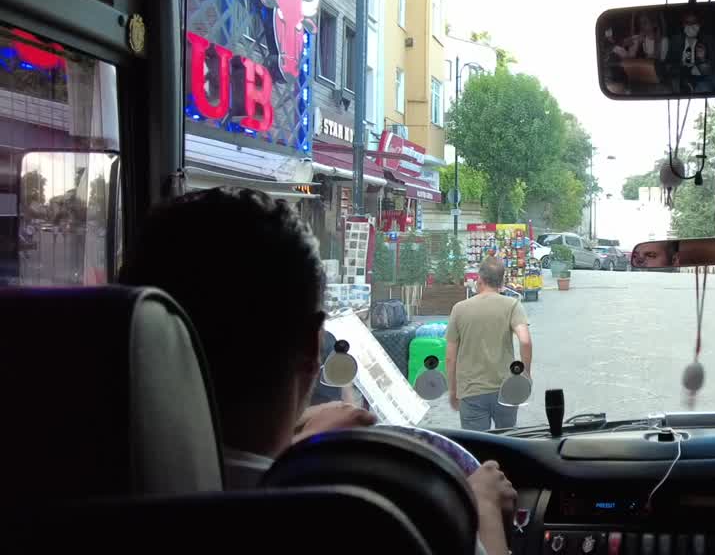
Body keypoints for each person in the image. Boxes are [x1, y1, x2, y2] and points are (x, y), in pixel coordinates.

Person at [122, 188, 516, 555]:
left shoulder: (102, 504)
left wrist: (296, 446)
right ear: (314, 348)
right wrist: (482, 505)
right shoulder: (353, 525)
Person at [447, 256, 534, 430]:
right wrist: (525, 375)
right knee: (506, 440)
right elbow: (525, 341)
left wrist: (453, 390)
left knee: (478, 443)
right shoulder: (512, 305)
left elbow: (450, 358)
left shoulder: (459, 309)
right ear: (502, 281)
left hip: (471, 391)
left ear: (479, 279)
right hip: (505, 388)